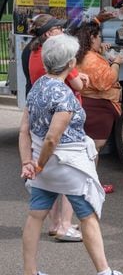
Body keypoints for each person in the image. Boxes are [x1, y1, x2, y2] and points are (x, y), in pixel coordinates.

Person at [18, 34, 123, 275]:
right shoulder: (65, 96)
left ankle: (30, 272)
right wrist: (39, 165)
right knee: (88, 216)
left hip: (44, 164)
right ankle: (104, 271)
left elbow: (24, 130)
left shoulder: (37, 87)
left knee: (35, 216)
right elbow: (54, 137)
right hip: (68, 165)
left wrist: (29, 163)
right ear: (70, 64)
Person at [27, 15, 88, 242]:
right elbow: (78, 85)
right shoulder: (61, 55)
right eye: (57, 28)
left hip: (40, 121)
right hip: (62, 126)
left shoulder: (34, 54)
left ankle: (55, 223)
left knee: (48, 180)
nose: (61, 31)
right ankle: (64, 225)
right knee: (67, 177)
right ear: (48, 33)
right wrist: (79, 77)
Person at [74, 21, 123, 194]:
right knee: (95, 147)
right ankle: (91, 185)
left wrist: (101, 51)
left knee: (90, 146)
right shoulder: (92, 60)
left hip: (88, 104)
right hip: (99, 106)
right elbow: (106, 80)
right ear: (92, 38)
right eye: (99, 37)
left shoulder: (83, 54)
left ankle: (88, 183)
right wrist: (116, 62)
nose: (101, 40)